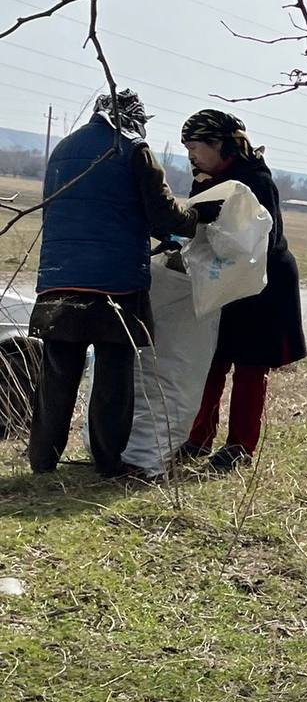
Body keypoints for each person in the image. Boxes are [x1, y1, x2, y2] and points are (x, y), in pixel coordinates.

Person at [28, 90, 221, 478]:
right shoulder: (135, 150)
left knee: (57, 375)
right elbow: (163, 214)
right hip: (113, 286)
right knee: (113, 378)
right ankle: (108, 462)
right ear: (134, 118)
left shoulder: (63, 149)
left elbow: (94, 209)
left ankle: (42, 460)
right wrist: (197, 216)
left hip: (58, 278)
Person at [176, 110, 307, 472]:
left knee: (249, 365)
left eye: (195, 146)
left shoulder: (254, 180)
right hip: (226, 281)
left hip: (264, 284)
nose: (190, 155)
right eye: (186, 147)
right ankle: (199, 437)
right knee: (212, 361)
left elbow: (263, 237)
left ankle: (240, 447)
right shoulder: (209, 177)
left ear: (218, 145)